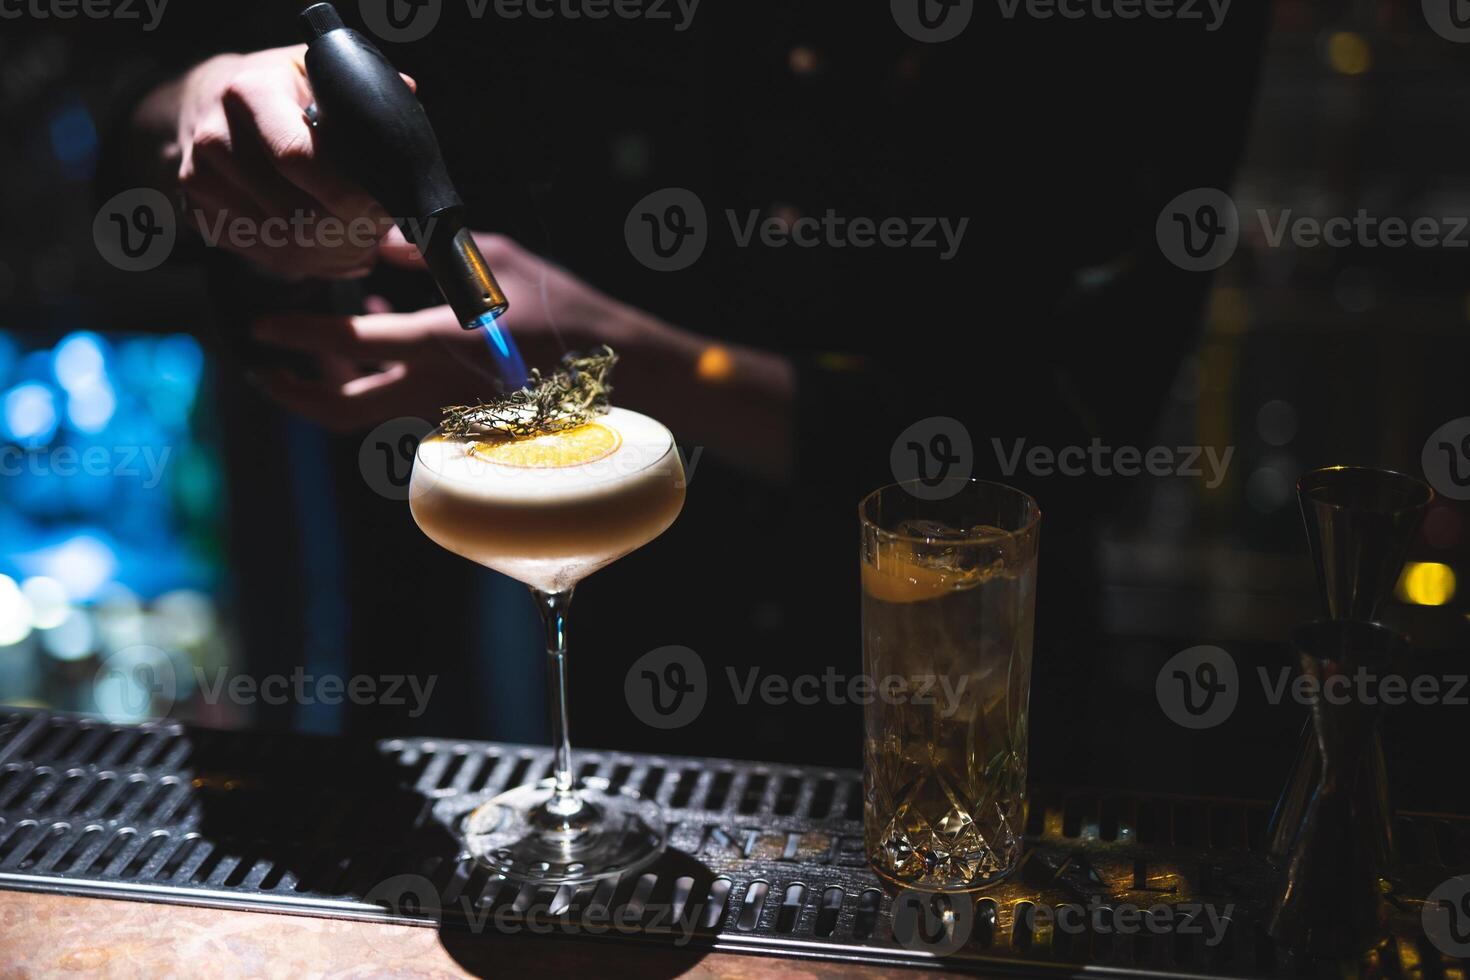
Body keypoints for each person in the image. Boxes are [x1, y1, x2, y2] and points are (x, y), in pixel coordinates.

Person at [109, 1, 1269, 780]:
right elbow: (143, 126)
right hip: (585, 664)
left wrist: (632, 354)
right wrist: (212, 102)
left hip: (948, 679)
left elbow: (1077, 441)